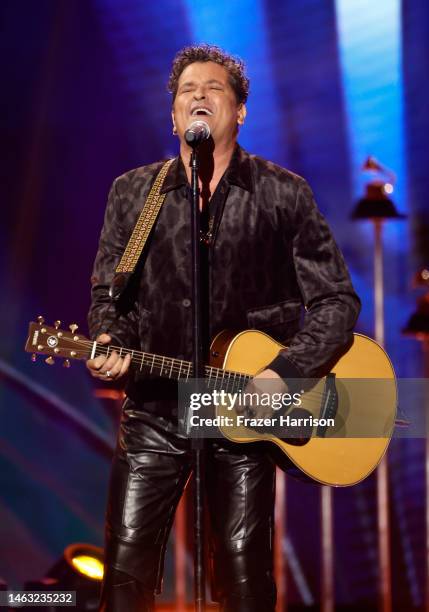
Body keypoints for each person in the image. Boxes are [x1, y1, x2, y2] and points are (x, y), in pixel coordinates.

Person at [86, 44, 360, 612]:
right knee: (125, 571)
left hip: (242, 416)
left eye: (213, 89)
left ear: (239, 111)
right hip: (156, 410)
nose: (198, 98)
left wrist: (283, 372)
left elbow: (336, 302)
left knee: (243, 581)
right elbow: (108, 298)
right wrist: (108, 340)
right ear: (173, 116)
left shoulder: (283, 193)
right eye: (188, 91)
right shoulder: (133, 194)